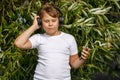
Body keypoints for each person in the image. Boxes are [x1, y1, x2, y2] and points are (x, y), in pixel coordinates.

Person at [14, 3, 90, 80]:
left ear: (59, 21)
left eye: (53, 20)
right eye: (46, 21)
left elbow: (74, 64)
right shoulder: (38, 38)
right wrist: (34, 27)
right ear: (40, 22)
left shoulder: (69, 38)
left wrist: (83, 58)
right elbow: (18, 43)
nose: (50, 24)